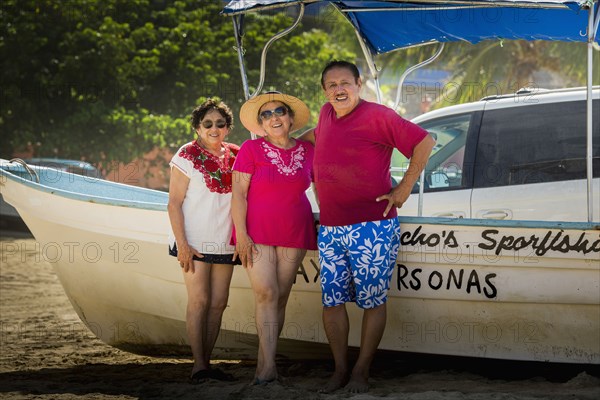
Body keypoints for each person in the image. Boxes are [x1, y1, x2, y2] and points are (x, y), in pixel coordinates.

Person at [299, 61, 436, 393]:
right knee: (331, 302)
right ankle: (340, 370)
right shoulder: (325, 114)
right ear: (324, 90)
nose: (339, 89)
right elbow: (311, 139)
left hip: (372, 228)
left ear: (359, 84)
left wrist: (403, 189)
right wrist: (277, 145)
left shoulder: (379, 115)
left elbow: (425, 142)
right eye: (331, 85)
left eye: (345, 82)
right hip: (331, 229)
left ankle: (361, 371)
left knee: (372, 301)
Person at [232, 91, 317, 385]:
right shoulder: (250, 149)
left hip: (295, 228)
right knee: (266, 293)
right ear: (260, 124)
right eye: (265, 115)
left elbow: (327, 184)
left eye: (279, 111)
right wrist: (241, 235)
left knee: (280, 297)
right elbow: (238, 195)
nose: (273, 118)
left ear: (290, 118)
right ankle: (268, 368)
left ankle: (264, 365)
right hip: (256, 230)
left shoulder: (308, 150)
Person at [167, 98, 240, 384]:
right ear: (198, 127)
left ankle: (207, 363)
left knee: (219, 303)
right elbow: (174, 203)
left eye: (220, 124)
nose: (214, 128)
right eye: (207, 124)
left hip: (225, 241)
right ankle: (198, 367)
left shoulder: (236, 154)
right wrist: (182, 243)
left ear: (227, 128)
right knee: (199, 300)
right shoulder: (186, 155)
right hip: (194, 241)